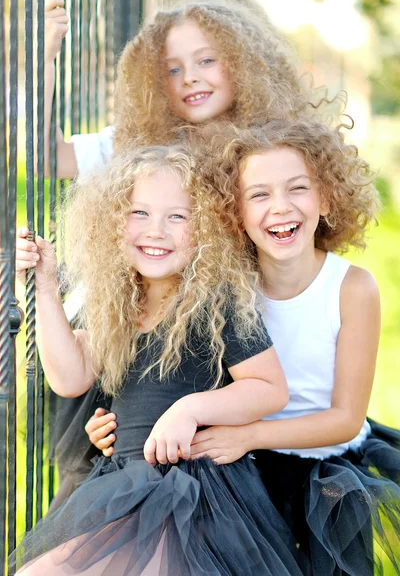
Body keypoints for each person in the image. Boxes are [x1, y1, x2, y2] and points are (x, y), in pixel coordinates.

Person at [89, 119, 400, 575]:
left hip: (323, 470)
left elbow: (345, 418)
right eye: (258, 195)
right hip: (237, 467)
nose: (280, 207)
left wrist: (249, 435)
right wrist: (122, 425)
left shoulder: (351, 287)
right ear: (232, 212)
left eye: (298, 189)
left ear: (327, 196)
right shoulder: (221, 284)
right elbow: (170, 369)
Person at [12, 145, 305, 576]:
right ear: (113, 224)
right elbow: (69, 377)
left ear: (205, 229)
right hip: (123, 483)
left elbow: (269, 388)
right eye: (139, 214)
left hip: (193, 493)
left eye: (178, 217)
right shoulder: (119, 305)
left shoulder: (216, 302)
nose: (157, 231)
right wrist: (45, 284)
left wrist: (190, 409)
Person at [43, 0, 317, 180]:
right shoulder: (140, 143)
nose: (189, 77)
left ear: (241, 63)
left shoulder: (276, 142)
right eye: (172, 69)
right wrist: (45, 58)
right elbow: (49, 160)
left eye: (206, 60)